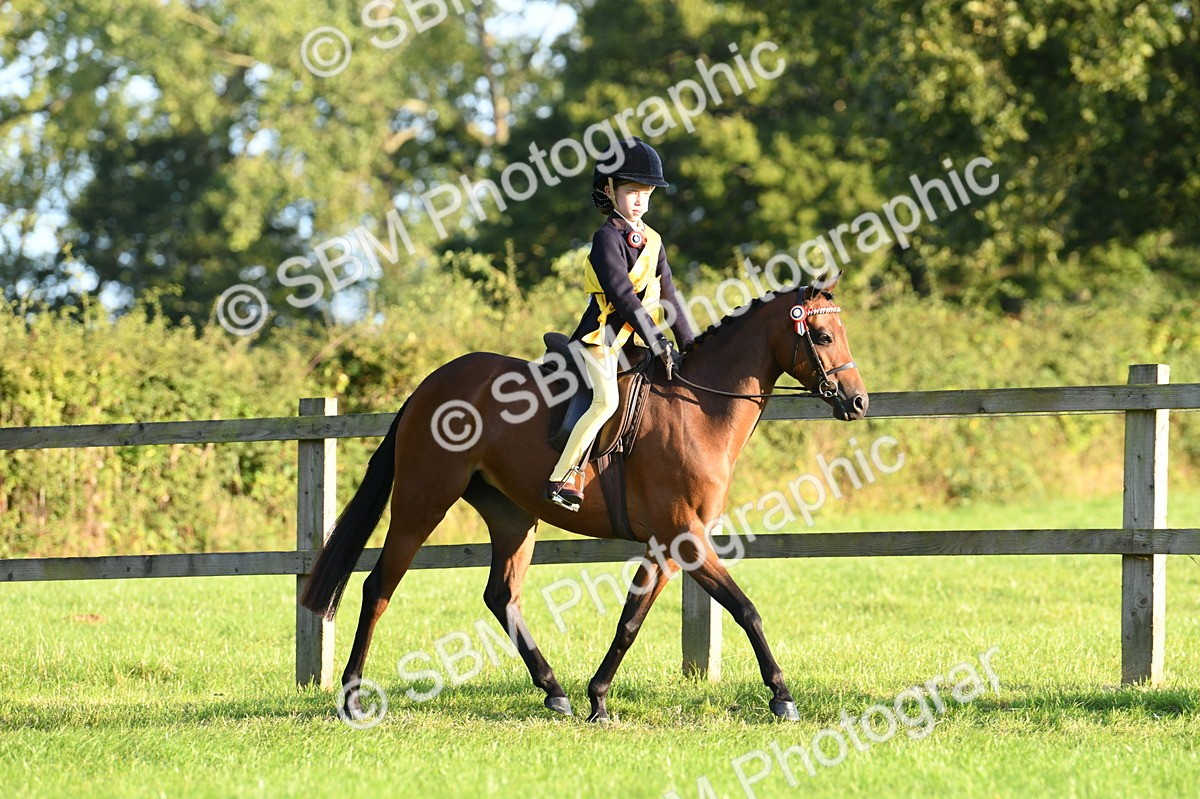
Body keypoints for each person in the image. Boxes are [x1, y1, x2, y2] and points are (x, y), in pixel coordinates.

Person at [545, 137, 698, 512]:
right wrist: (658, 340)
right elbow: (623, 296)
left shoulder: (654, 240)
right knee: (606, 400)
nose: (640, 200)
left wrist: (691, 344)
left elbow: (670, 294)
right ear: (610, 190)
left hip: (635, 342)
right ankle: (564, 475)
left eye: (646, 193)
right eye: (632, 192)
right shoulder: (605, 239)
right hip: (601, 338)